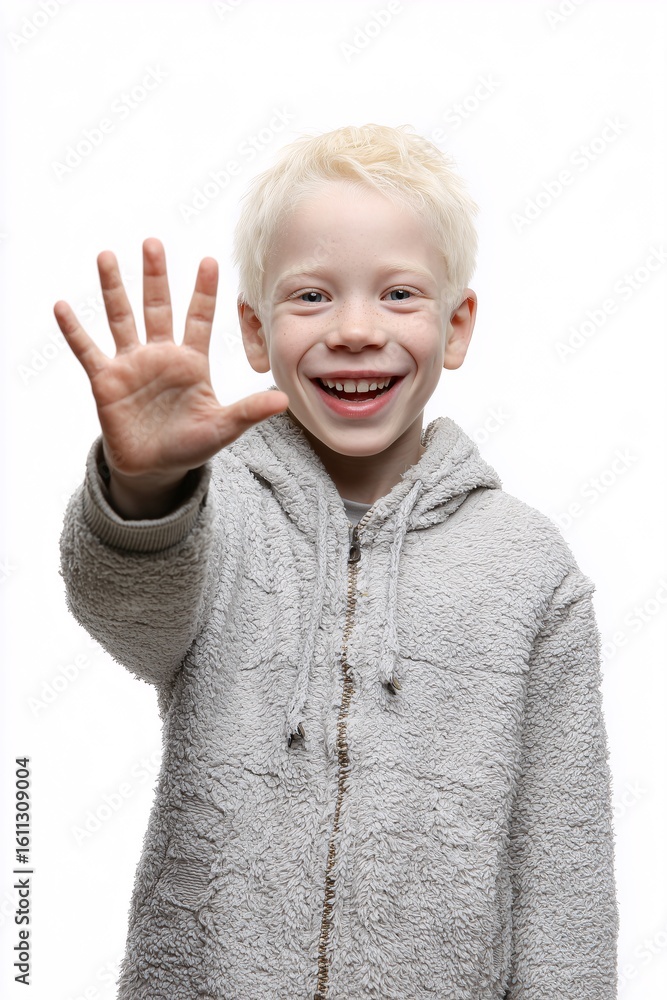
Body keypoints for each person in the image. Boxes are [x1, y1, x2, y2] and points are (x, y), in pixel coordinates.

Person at [56, 124, 618, 999]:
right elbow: (131, 617)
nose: (356, 330)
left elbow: (563, 879)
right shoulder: (216, 514)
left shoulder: (527, 569)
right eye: (312, 296)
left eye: (398, 294)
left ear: (456, 325)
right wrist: (146, 486)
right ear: (254, 331)